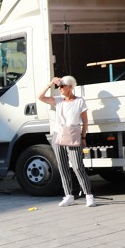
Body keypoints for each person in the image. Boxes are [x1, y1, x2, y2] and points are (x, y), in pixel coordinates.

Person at [37, 75, 95, 208]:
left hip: (74, 135)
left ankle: (89, 195)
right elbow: (40, 97)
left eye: (62, 86)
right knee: (62, 167)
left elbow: (85, 121)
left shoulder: (80, 101)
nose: (59, 88)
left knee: (78, 167)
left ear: (70, 87)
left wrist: (84, 137)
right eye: (58, 86)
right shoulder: (58, 100)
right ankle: (68, 195)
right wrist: (50, 83)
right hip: (59, 136)